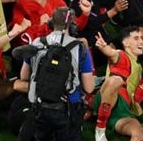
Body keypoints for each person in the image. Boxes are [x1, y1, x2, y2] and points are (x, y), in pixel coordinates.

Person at [18, 7, 94, 141]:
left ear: (51, 23)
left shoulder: (37, 43)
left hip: (40, 106)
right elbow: (89, 88)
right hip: (69, 107)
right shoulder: (80, 48)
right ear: (73, 25)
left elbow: (24, 76)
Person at [93, 27, 143, 141]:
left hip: (122, 111)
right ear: (126, 43)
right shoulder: (121, 55)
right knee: (115, 80)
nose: (141, 41)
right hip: (109, 97)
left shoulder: (139, 67)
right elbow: (111, 53)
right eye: (136, 38)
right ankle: (100, 129)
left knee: (138, 131)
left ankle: (93, 114)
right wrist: (104, 47)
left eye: (141, 38)